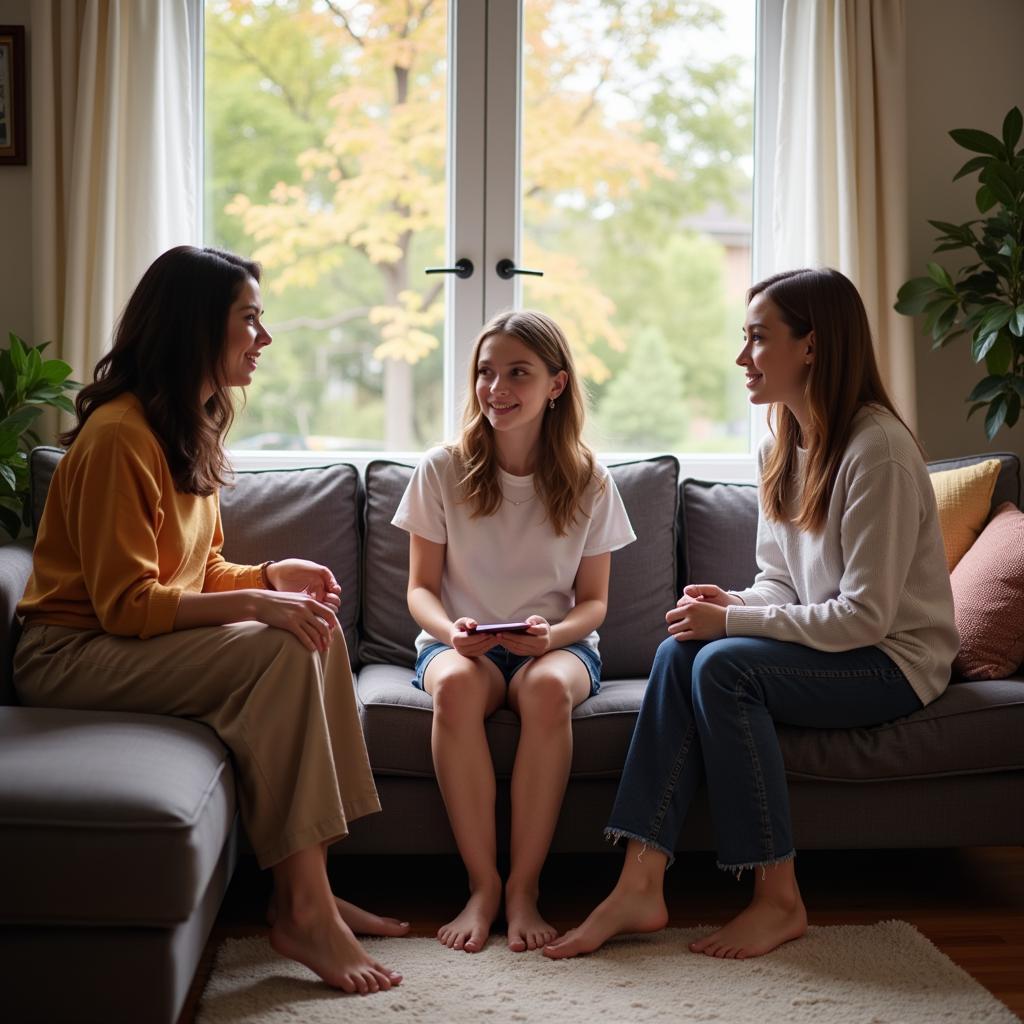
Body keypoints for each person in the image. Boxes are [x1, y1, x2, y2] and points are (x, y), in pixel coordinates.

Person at [14, 245, 407, 995]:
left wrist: (268, 578)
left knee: (309, 632)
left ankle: (314, 888)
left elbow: (196, 572)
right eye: (249, 320)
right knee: (282, 644)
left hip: (118, 640)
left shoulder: (187, 424)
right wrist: (258, 604)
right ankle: (300, 909)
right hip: (71, 653)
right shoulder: (119, 438)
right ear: (197, 326)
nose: (264, 339)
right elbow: (126, 604)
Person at [544, 267, 958, 961]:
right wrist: (732, 604)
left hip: (895, 661)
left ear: (812, 347)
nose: (742, 358)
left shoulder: (876, 449)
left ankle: (778, 899)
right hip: (846, 646)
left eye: (759, 339)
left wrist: (733, 627)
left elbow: (864, 617)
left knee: (727, 667)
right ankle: (639, 881)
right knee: (682, 650)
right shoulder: (781, 445)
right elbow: (780, 582)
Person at [393, 310, 636, 954]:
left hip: (558, 649)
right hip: (456, 645)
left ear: (556, 384)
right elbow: (419, 589)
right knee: (456, 689)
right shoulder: (441, 468)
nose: (496, 387)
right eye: (485, 371)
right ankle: (484, 886)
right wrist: (452, 633)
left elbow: (594, 604)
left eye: (517, 373)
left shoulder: (589, 478)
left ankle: (525, 887)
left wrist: (552, 637)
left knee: (546, 691)